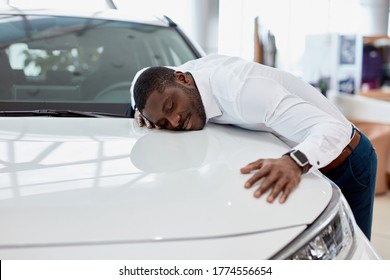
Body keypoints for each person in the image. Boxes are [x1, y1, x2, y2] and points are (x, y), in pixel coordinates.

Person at [128, 54, 377, 240]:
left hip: (347, 160)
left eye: (171, 107)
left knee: (351, 250)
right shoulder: (171, 82)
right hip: (311, 162)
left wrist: (294, 162)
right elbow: (142, 77)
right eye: (162, 122)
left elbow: (335, 129)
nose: (174, 122)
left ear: (182, 79)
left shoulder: (244, 92)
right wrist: (142, 112)